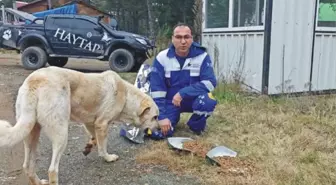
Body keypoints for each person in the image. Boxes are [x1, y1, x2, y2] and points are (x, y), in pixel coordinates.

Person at [147, 23, 218, 140]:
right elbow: (157, 90)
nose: (183, 41)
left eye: (186, 37)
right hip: (170, 102)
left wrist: (182, 93)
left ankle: (195, 126)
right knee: (159, 133)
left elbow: (210, 82)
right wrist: (162, 117)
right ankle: (171, 119)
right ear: (172, 39)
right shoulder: (162, 58)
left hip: (193, 100)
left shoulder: (202, 56)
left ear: (192, 39)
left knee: (208, 101)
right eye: (178, 37)